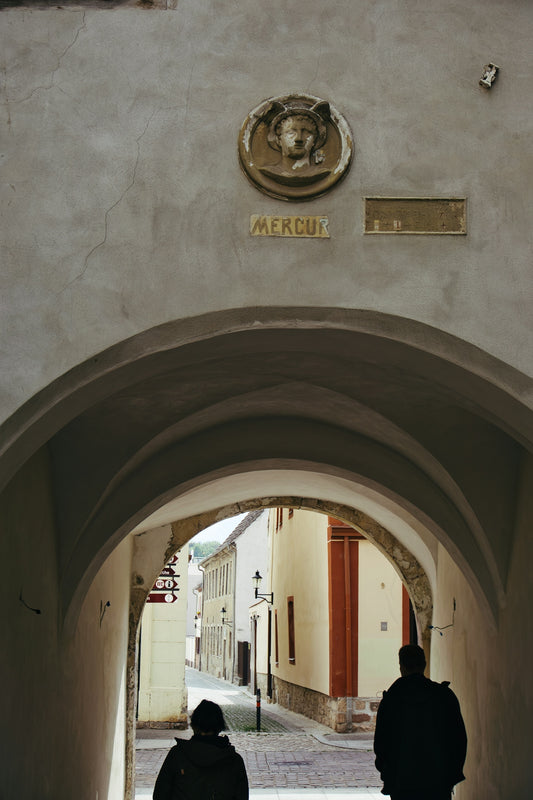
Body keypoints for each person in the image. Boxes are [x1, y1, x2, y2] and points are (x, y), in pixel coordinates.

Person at [373, 644, 467, 800]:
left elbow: (382, 744)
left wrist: (387, 772)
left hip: (402, 781)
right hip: (438, 781)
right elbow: (458, 740)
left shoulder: (391, 700)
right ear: (424, 665)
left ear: (401, 666)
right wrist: (451, 774)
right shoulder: (444, 696)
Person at [153, 699, 249, 800]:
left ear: (194, 725)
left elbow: (160, 794)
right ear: (220, 727)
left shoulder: (177, 755)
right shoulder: (234, 761)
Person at [259, 101, 331, 186]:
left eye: (306, 132)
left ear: (314, 141)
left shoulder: (322, 172)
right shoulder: (269, 171)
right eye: (291, 132)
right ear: (278, 140)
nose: (298, 139)